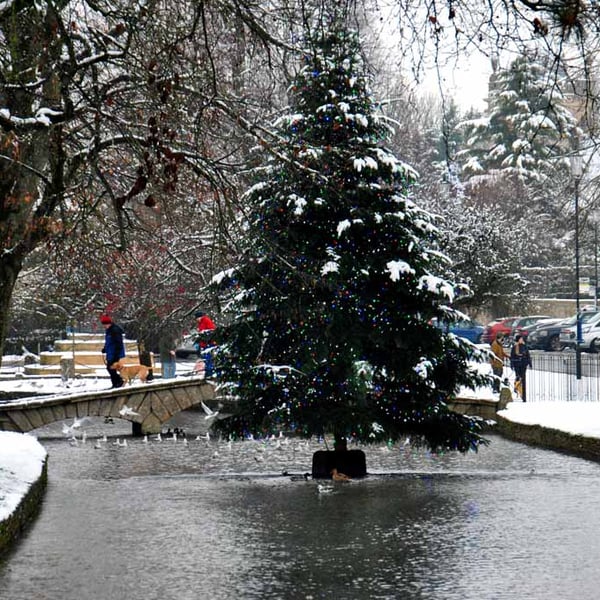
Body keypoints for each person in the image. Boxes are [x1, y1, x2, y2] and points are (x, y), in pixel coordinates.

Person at [100, 314, 126, 388]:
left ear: (109, 323)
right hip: (110, 352)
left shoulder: (115, 330)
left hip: (115, 353)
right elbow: (108, 342)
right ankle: (116, 383)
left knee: (111, 368)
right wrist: (105, 349)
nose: (104, 326)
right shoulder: (109, 330)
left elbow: (118, 343)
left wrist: (116, 355)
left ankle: (118, 382)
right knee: (110, 368)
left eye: (105, 324)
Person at [510, 334, 532, 401]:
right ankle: (518, 390)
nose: (522, 340)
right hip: (517, 364)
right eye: (520, 339)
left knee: (523, 378)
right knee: (518, 378)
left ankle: (523, 394)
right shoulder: (514, 347)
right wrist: (512, 364)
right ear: (518, 340)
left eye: (522, 339)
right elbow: (512, 356)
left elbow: (528, 355)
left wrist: (529, 363)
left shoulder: (524, 346)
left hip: (523, 364)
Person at [195, 311, 216, 377]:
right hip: (204, 343)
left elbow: (211, 330)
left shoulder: (206, 321)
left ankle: (209, 371)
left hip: (208, 343)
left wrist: (206, 339)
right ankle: (208, 370)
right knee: (206, 358)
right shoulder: (201, 322)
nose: (196, 320)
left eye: (197, 318)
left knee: (208, 358)